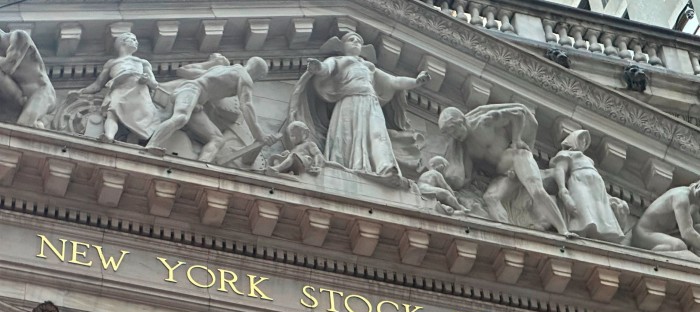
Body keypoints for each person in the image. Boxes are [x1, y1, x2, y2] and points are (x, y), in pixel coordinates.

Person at [290, 32, 430, 180]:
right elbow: (326, 68)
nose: (355, 42)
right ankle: (342, 166)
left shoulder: (369, 66)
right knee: (346, 136)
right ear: (342, 46)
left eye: (358, 41)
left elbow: (394, 81)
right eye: (351, 40)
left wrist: (416, 82)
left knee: (378, 135)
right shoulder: (339, 60)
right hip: (348, 101)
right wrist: (317, 67)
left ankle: (385, 167)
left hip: (370, 102)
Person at [438, 104, 573, 237]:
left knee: (537, 191)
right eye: (451, 134)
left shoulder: (483, 122)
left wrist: (516, 140)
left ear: (461, 121)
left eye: (454, 130)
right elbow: (466, 177)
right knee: (490, 198)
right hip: (503, 174)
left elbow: (518, 113)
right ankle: (511, 234)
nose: (455, 136)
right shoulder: (465, 148)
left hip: (517, 158)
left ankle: (563, 230)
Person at [146, 55, 275, 163]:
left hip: (195, 101)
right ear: (258, 75)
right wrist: (259, 135)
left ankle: (200, 167)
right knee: (181, 118)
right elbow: (246, 105)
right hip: (191, 91)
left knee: (218, 139)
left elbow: (186, 71)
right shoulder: (245, 77)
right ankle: (152, 145)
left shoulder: (221, 69)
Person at [80, 32, 160, 142]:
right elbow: (98, 85)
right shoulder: (111, 63)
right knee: (112, 113)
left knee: (141, 118)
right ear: (122, 42)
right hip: (119, 90)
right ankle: (109, 136)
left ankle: (139, 140)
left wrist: (147, 80)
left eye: (136, 40)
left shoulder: (142, 62)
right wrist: (81, 92)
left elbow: (155, 84)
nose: (136, 42)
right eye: (132, 39)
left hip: (139, 92)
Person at [550, 129, 624, 242]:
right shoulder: (567, 154)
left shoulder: (589, 160)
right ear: (573, 140)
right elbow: (560, 169)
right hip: (580, 182)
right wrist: (563, 190)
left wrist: (610, 198)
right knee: (583, 210)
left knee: (600, 213)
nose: (584, 142)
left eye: (585, 140)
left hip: (597, 188)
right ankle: (582, 233)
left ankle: (599, 236)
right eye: (581, 139)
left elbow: (599, 183)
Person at [0, 28, 56, 127]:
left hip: (41, 92)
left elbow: (8, 65)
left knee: (24, 125)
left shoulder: (19, 36)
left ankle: (38, 124)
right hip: (18, 96)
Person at [631, 181, 700, 254]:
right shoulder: (682, 197)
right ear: (697, 187)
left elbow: (695, 227)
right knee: (678, 246)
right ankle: (648, 258)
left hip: (663, 234)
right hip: (643, 234)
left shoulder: (693, 204)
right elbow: (687, 233)